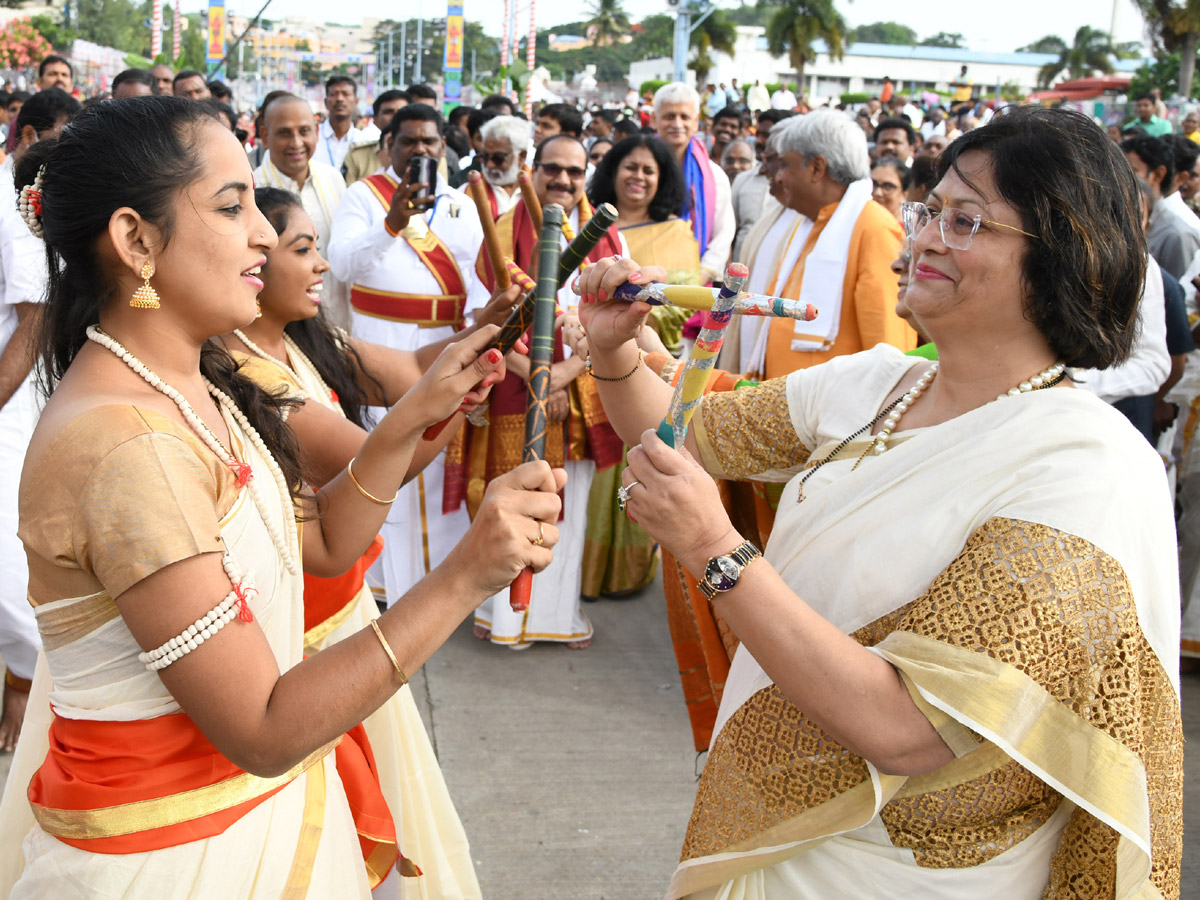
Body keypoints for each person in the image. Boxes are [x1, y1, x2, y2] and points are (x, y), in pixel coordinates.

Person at [576, 104, 1181, 900]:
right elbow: (683, 434)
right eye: (932, 208)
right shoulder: (880, 384)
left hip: (904, 872)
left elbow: (907, 730)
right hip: (775, 834)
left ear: (1064, 257)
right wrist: (615, 347)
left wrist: (715, 552)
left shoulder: (1081, 467)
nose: (923, 236)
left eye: (968, 222)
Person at [0, 95, 559, 899]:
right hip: (179, 857)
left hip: (248, 828)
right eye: (232, 207)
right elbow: (261, 728)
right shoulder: (127, 446)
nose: (262, 231)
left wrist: (423, 409)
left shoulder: (195, 386)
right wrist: (465, 575)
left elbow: (327, 537)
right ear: (134, 240)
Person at [225, 186, 497, 896]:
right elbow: (377, 463)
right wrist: (451, 407)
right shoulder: (241, 369)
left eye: (318, 247)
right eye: (302, 249)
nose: (322, 266)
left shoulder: (304, 340)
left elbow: (408, 374)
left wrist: (482, 336)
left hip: (344, 610)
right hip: (314, 633)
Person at [464, 134, 637, 645]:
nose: (563, 179)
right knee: (514, 496)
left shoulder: (609, 238)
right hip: (518, 386)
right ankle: (504, 620)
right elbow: (485, 315)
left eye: (575, 172)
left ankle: (554, 619)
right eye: (553, 169)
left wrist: (567, 374)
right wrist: (541, 376)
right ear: (533, 169)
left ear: (587, 176)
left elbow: (617, 319)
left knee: (569, 502)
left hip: (581, 393)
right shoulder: (500, 229)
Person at [327, 103, 493, 608]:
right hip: (382, 343)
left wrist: (480, 334)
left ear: (443, 146)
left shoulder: (463, 203)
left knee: (439, 457)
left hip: (444, 341)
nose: (419, 150)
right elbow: (341, 264)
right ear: (389, 146)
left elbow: (481, 280)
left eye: (429, 142)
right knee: (381, 452)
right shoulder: (363, 195)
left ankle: (432, 581)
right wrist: (392, 223)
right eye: (408, 142)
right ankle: (375, 580)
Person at [0, 88, 77, 753]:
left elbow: (31, 324)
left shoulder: (17, 203)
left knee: (8, 573)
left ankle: (29, 686)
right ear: (26, 138)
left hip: (9, 402)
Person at [740, 110, 914, 382]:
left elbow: (888, 349)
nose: (778, 177)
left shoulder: (873, 227)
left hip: (835, 414)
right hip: (784, 405)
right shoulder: (807, 223)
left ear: (817, 168)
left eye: (786, 165)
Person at [251, 94, 350, 329]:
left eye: (304, 131)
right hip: (277, 326)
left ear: (316, 131)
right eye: (285, 133)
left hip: (335, 318)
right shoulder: (251, 188)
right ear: (265, 135)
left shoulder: (333, 179)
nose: (296, 143)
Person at [651, 83, 735, 284]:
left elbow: (723, 236)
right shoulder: (638, 169)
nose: (677, 124)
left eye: (684, 117)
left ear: (696, 122)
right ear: (654, 120)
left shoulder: (713, 176)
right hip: (641, 280)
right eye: (669, 116)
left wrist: (696, 281)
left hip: (694, 285)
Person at [1124, 134, 1200, 279]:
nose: (1121, 178)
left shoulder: (1177, 234)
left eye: (1132, 171)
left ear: (1158, 174)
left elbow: (1176, 295)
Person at [342, 89, 409, 185]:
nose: (396, 117)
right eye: (388, 112)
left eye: (402, 112)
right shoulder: (356, 157)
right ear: (375, 120)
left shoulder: (430, 157)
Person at [476, 114, 529, 218]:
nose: (489, 165)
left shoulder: (539, 191)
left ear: (521, 156)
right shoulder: (466, 193)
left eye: (498, 158)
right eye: (485, 157)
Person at [319, 75, 362, 172]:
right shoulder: (313, 137)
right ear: (326, 102)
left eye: (346, 94)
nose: (339, 99)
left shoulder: (363, 140)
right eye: (334, 94)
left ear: (356, 101)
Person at [870, 157, 909, 222]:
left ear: (904, 195)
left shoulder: (908, 230)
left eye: (888, 186)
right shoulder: (853, 222)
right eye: (874, 184)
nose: (877, 193)